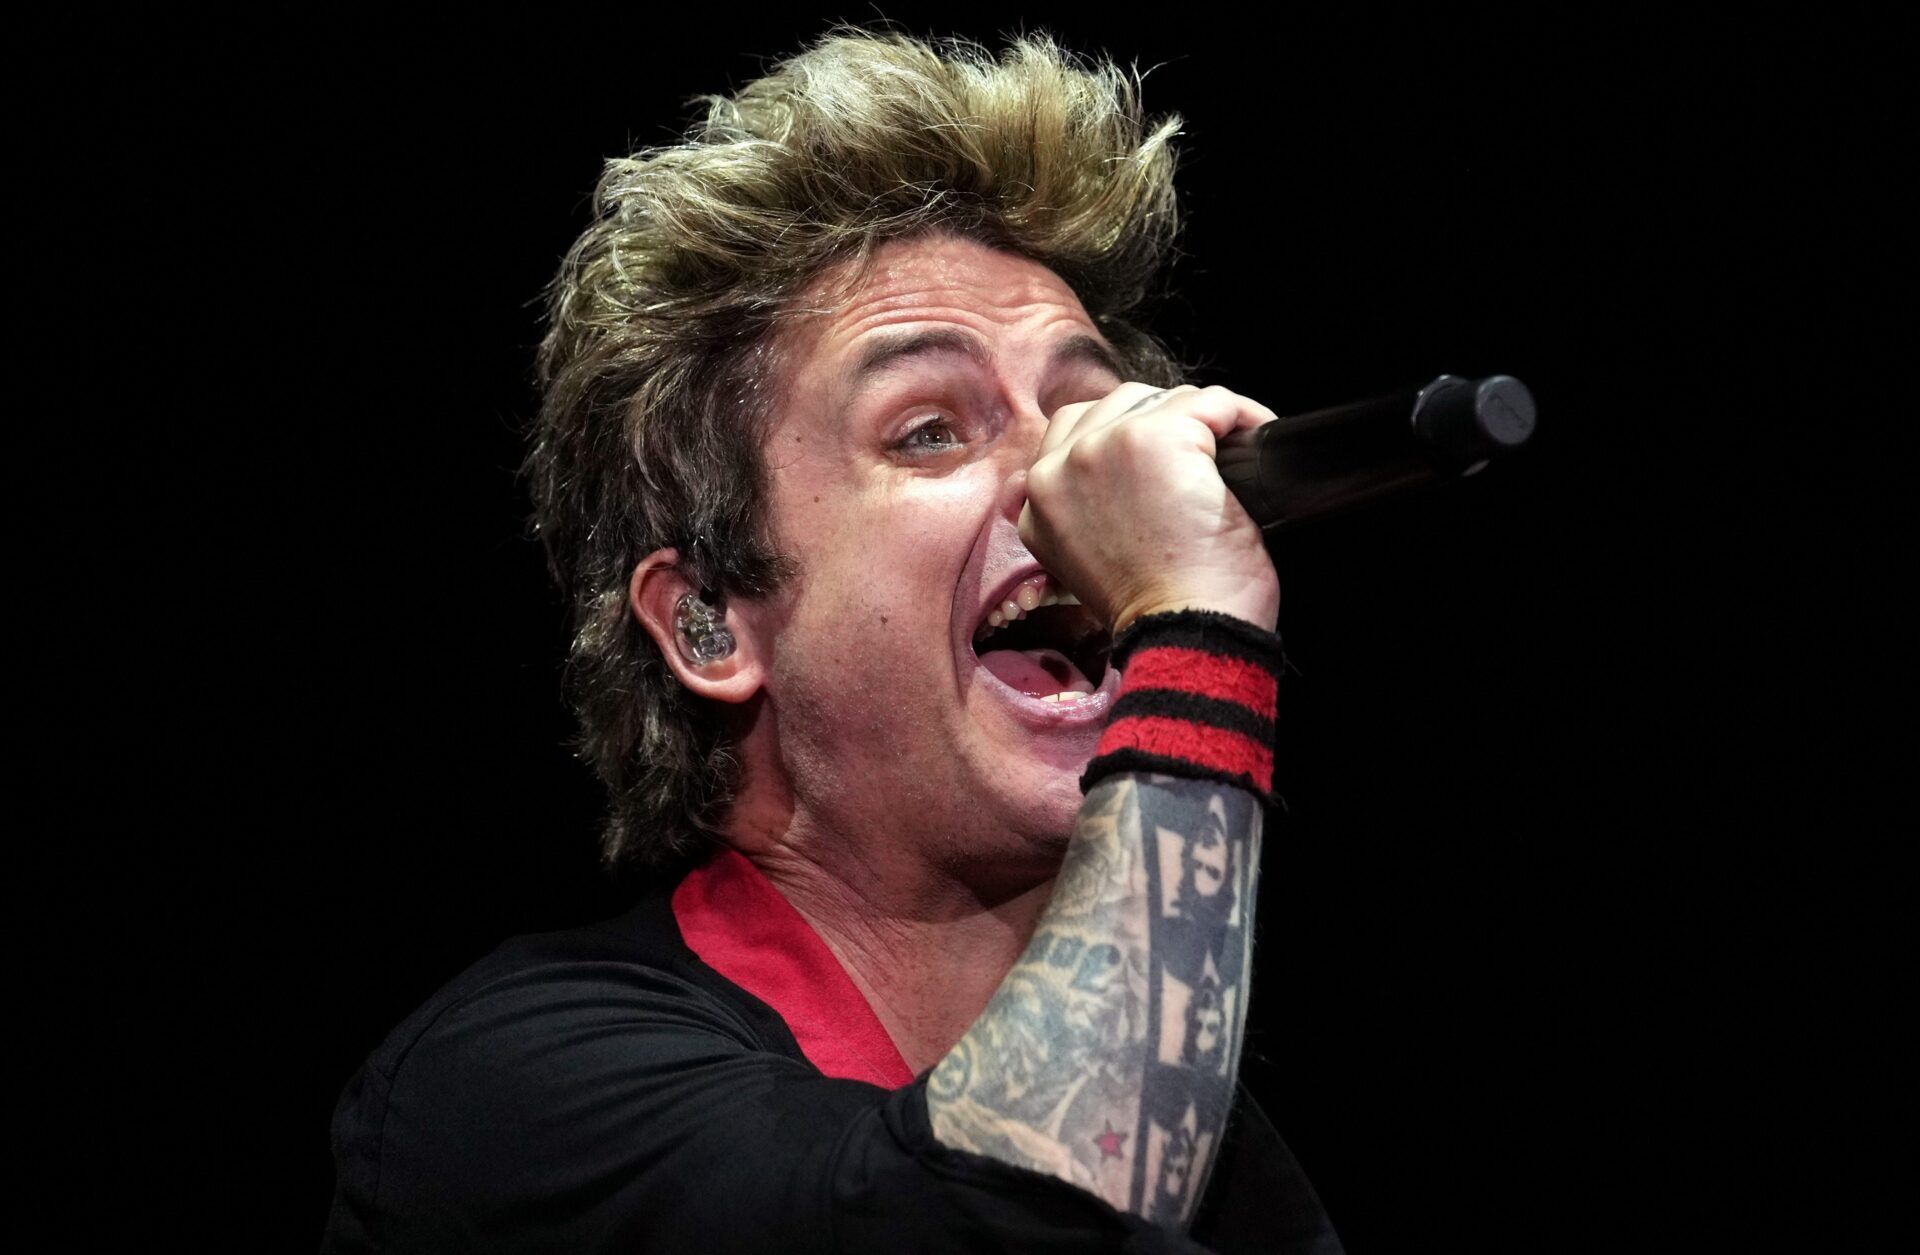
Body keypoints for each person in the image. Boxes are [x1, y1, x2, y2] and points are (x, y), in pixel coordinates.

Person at [325, 28, 1342, 1254]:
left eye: (1087, 408)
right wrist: (1199, 634)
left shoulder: (1237, 1165)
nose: (1065, 474)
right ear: (708, 619)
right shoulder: (516, 1087)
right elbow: (1009, 1221)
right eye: (927, 431)